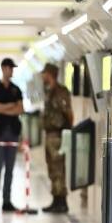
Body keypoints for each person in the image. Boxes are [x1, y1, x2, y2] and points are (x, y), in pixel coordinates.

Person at [0, 58, 24, 212]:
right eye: (10, 68)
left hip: (13, 133)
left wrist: (3, 108)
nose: (12, 71)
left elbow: (20, 109)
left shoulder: (16, 89)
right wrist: (10, 106)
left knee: (10, 168)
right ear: (3, 68)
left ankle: (7, 201)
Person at [40, 63, 74, 213]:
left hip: (58, 135)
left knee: (58, 168)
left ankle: (62, 202)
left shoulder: (60, 92)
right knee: (52, 169)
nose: (42, 76)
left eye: (44, 73)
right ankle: (56, 200)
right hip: (49, 135)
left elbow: (69, 113)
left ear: (50, 74)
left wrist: (67, 131)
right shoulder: (49, 91)